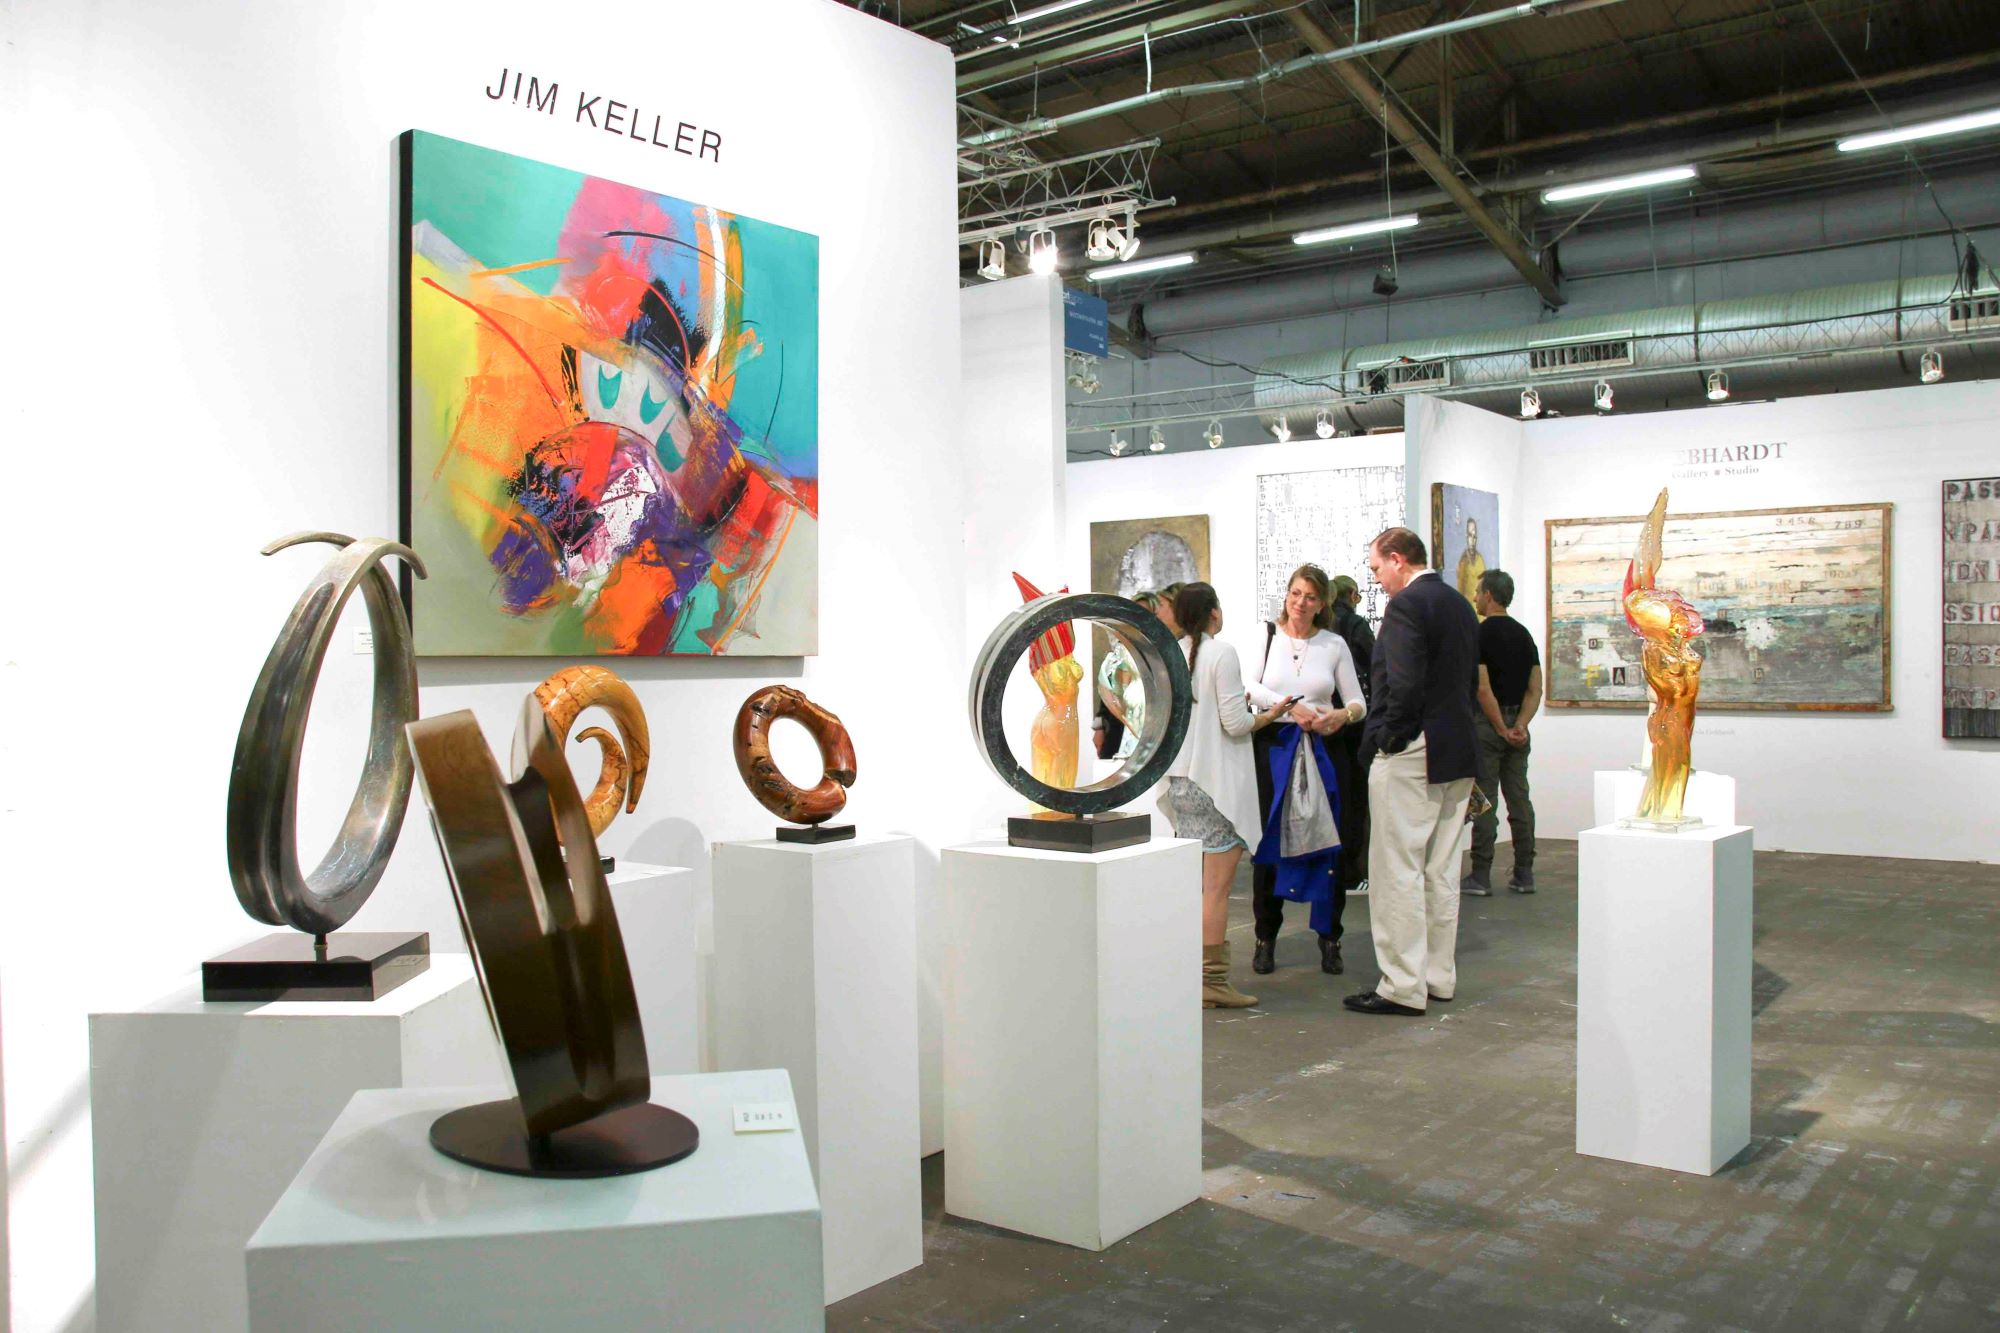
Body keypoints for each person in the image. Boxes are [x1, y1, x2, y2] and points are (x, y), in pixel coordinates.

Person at [1346, 528, 1480, 1018]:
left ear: (1398, 560)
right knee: (1441, 870)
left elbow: (1401, 685)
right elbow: (1467, 682)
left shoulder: (1406, 607)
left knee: (1397, 870)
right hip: (1456, 749)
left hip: (1414, 751)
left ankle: (1402, 985)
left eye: (1378, 568)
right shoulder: (1460, 604)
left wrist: (1388, 738)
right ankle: (1436, 976)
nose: (1377, 580)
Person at [1159, 582, 1296, 1009]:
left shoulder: (1170, 655)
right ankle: (1211, 982)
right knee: (1215, 891)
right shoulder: (1222, 653)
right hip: (1212, 784)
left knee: (1197, 888)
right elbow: (1235, 724)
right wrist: (1271, 715)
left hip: (1180, 783)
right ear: (1214, 613)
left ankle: (1189, 976)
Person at [1245, 564, 1367, 977]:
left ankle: (1330, 937)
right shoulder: (1265, 637)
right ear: (1286, 594)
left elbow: (1357, 701)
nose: (1301, 603)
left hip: (1323, 750)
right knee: (1269, 846)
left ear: (1323, 604)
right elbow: (1248, 686)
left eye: (1311, 597)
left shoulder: (1333, 644)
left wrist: (1339, 716)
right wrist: (1288, 705)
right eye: (1296, 593)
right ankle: (1266, 936)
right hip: (1274, 749)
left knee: (1329, 842)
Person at [1466, 570, 1542, 895]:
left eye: (1478, 592)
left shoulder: (1480, 636)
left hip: (1487, 728)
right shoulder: (1524, 635)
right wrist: (1519, 726)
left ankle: (1481, 875)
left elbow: (1483, 691)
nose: (1474, 598)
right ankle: (1524, 873)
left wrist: (1499, 727)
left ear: (1490, 596)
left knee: (1483, 801)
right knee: (1519, 800)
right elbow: (1534, 689)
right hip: (1516, 729)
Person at [1327, 574, 1377, 897]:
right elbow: (1377, 667)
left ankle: (1330, 870)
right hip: (1353, 724)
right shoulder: (1355, 626)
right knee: (1355, 799)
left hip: (1322, 723)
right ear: (1351, 595)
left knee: (1332, 797)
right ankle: (1351, 872)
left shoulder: (1322, 633)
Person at [1455, 516, 1486, 604]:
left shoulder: (1480, 560)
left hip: (1480, 611)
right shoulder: (1463, 561)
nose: (1472, 540)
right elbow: (1460, 591)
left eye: (1474, 536)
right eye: (1469, 535)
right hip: (1467, 609)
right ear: (1466, 536)